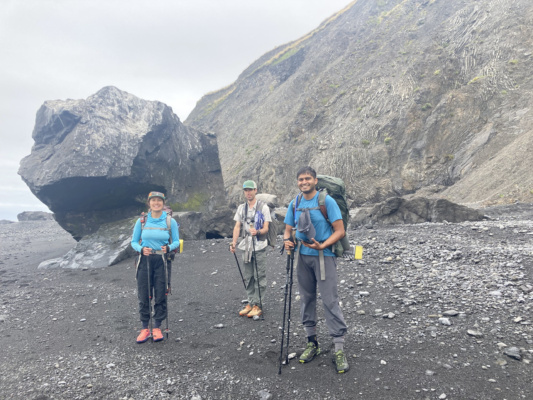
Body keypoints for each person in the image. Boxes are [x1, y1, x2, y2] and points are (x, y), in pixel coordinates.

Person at [283, 167, 349, 374]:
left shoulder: (326, 201)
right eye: (301, 179)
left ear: (315, 180)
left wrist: (323, 245)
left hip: (324, 256)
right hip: (302, 257)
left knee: (329, 299)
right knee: (307, 298)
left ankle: (338, 347)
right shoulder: (295, 203)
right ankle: (312, 342)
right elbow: (288, 229)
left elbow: (340, 230)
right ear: (297, 182)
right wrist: (287, 241)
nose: (304, 182)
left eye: (308, 179)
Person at [131, 191, 180, 343]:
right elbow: (133, 242)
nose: (156, 203)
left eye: (159, 200)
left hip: (162, 260)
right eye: (153, 201)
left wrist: (169, 247)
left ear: (163, 203)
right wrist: (140, 249)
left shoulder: (169, 221)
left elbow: (177, 242)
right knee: (144, 294)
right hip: (144, 260)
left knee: (161, 293)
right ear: (149, 203)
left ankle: (157, 326)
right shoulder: (142, 221)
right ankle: (145, 328)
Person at [230, 180, 271, 318]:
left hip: (259, 245)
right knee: (248, 276)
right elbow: (237, 226)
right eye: (246, 190)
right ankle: (251, 301)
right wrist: (234, 242)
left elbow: (266, 228)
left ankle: (258, 305)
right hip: (246, 245)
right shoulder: (242, 208)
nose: (248, 192)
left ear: (255, 190)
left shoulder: (263, 207)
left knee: (259, 275)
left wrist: (257, 232)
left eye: (250, 189)